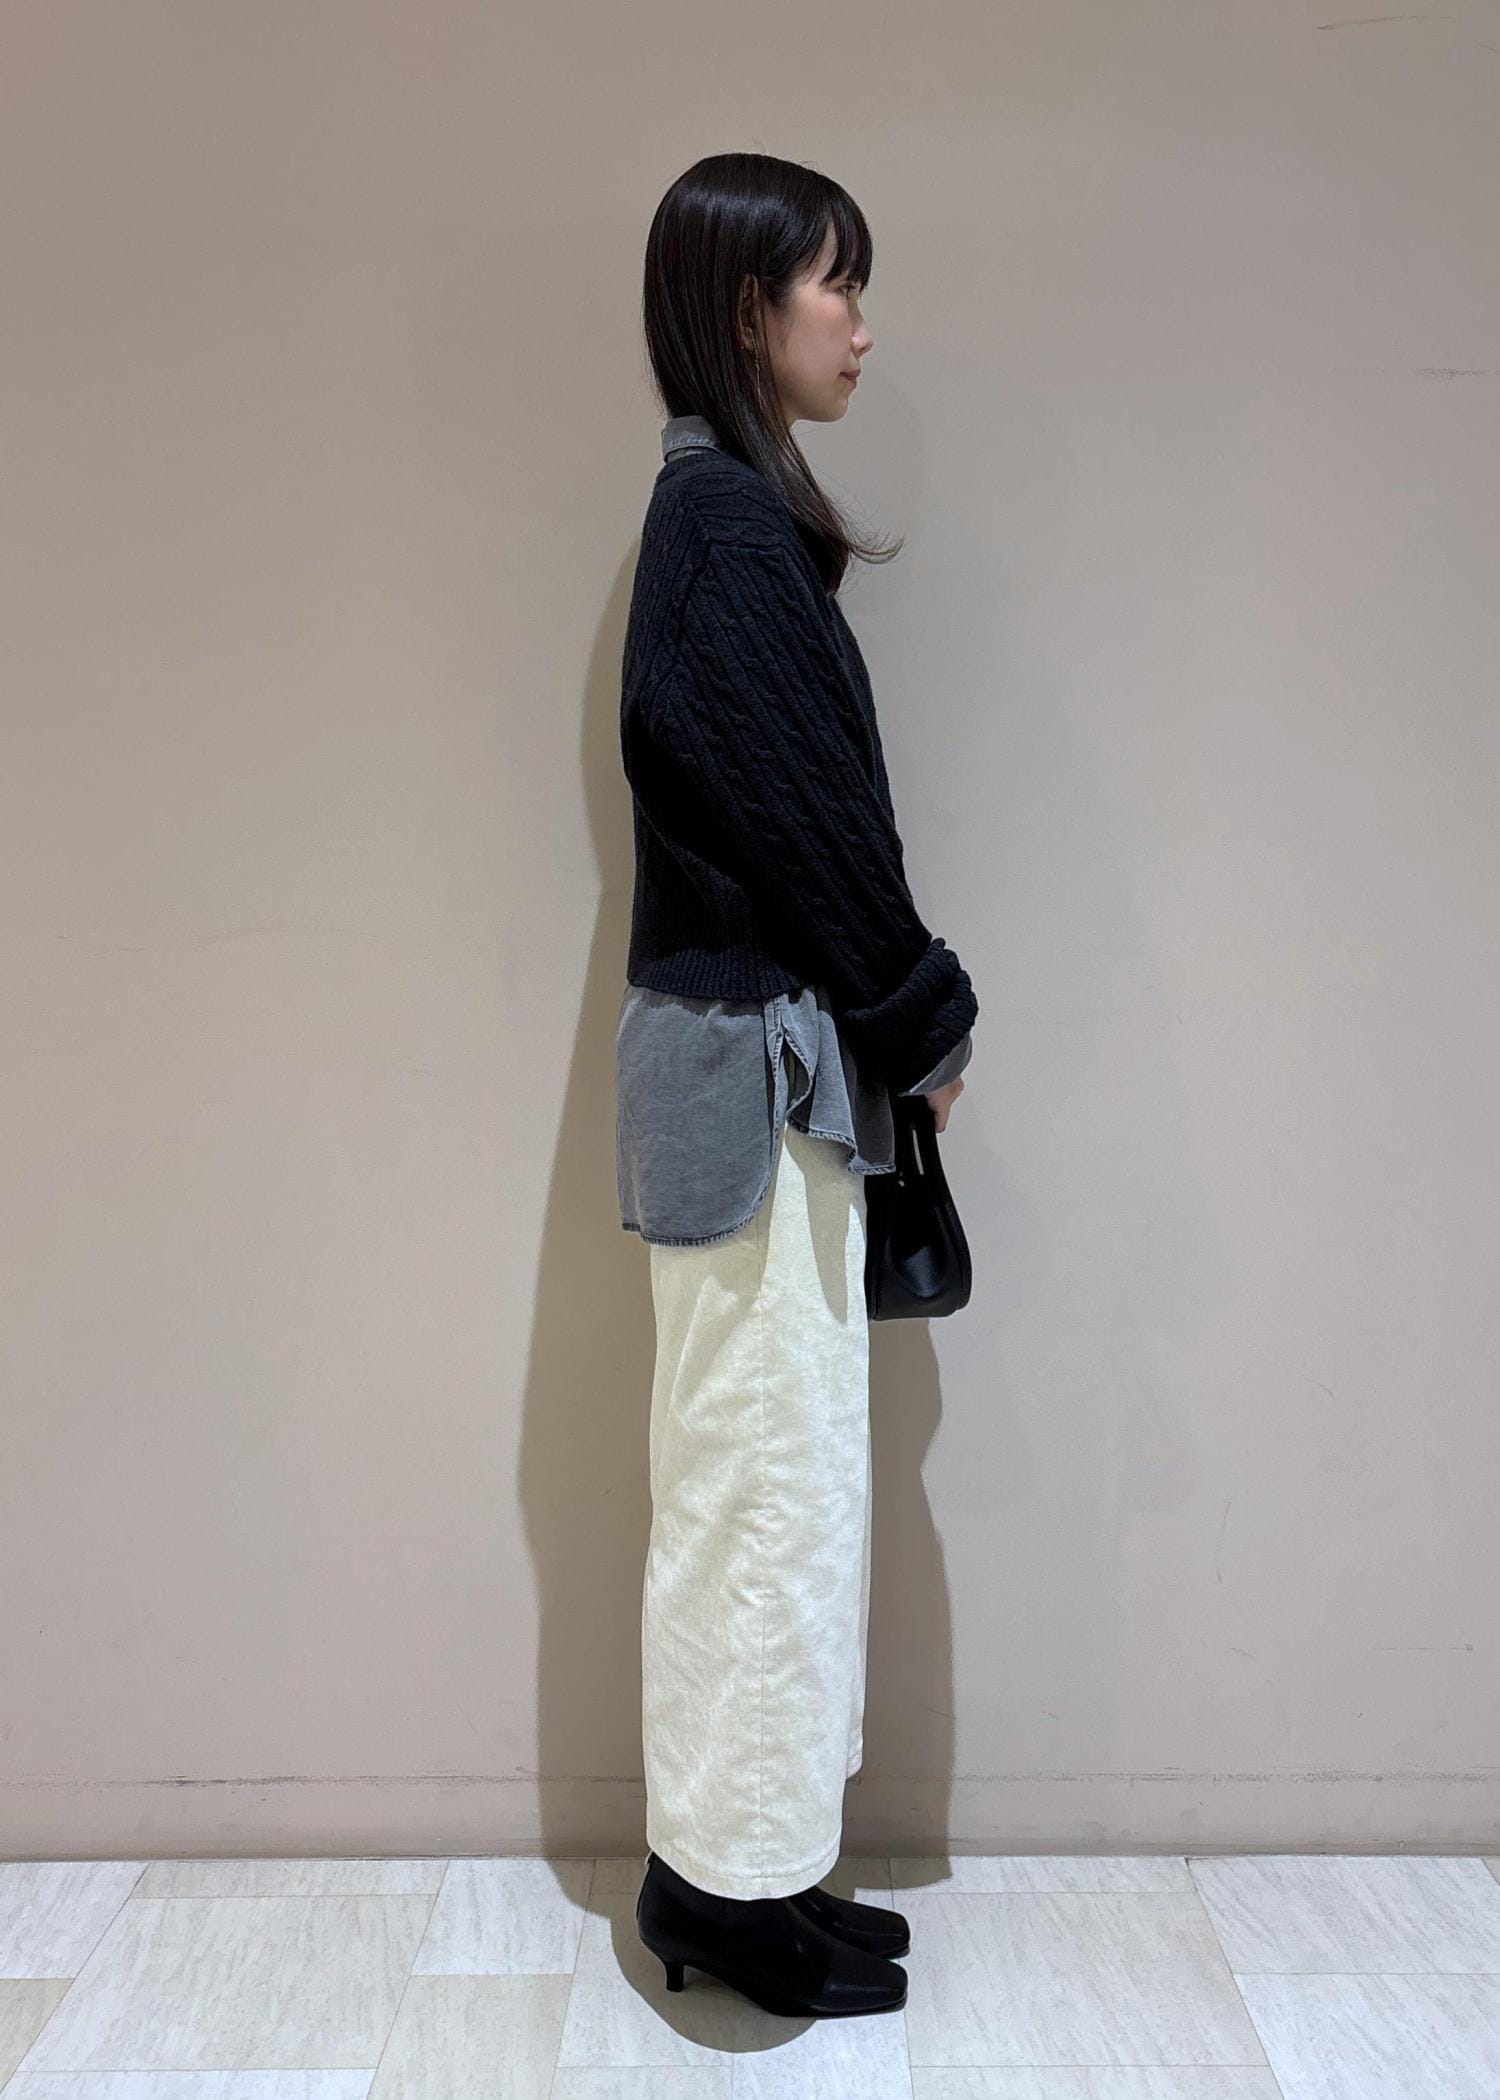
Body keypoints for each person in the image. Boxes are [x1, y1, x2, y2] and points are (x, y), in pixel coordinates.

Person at [616, 152, 978, 2020]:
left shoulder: (729, 525)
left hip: (758, 1078)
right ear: (749, 311)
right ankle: (724, 1891)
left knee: (777, 1486)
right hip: (750, 1083)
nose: (861, 324)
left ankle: (752, 1865)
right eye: (838, 284)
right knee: (758, 1497)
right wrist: (928, 1019)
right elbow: (818, 836)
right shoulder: (726, 539)